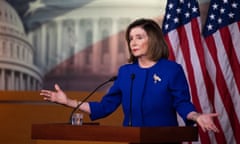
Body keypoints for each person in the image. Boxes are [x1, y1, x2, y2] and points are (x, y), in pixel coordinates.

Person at [40, 18, 219, 133]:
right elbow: (104, 107)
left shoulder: (171, 70)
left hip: (164, 139)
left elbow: (182, 103)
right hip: (133, 138)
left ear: (153, 39)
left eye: (139, 37)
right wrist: (67, 102)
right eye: (131, 38)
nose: (133, 42)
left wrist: (197, 116)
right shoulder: (126, 72)